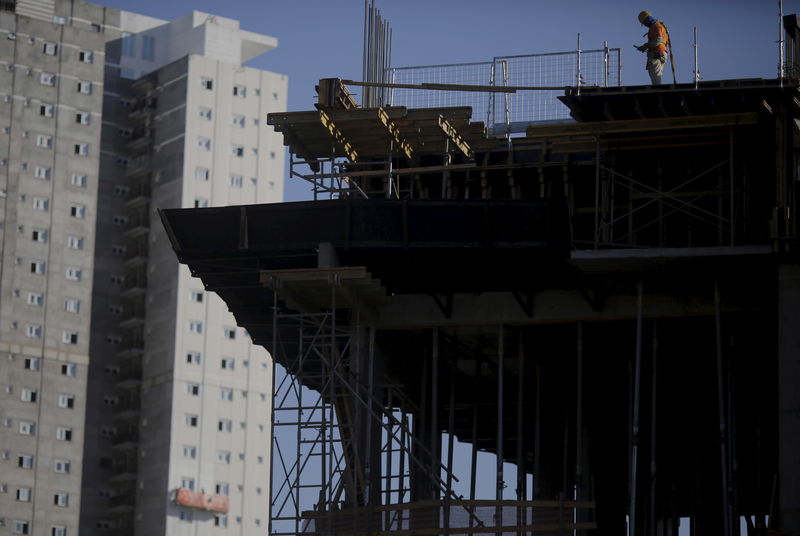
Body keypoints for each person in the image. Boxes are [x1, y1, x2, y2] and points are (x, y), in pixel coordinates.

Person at [635, 10, 669, 85]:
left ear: (647, 20)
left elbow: (658, 39)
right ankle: (658, 89)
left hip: (657, 53)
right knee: (656, 74)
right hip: (660, 53)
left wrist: (646, 46)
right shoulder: (658, 26)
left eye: (644, 23)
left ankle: (657, 91)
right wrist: (645, 47)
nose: (645, 25)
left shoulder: (656, 26)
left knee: (655, 76)